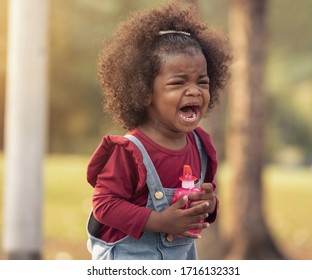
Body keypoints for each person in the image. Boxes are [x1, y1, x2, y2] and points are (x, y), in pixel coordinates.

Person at [86, 1, 232, 260]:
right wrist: (161, 221)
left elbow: (207, 195)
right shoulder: (129, 151)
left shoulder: (201, 145)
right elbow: (104, 206)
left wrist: (209, 204)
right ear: (144, 92)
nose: (194, 90)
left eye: (202, 82)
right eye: (178, 83)